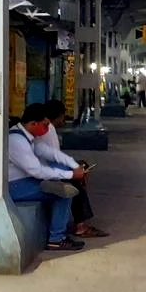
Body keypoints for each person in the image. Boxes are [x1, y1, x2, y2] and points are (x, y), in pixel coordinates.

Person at [8, 103, 86, 251]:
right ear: (33, 123)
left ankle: (60, 231)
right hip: (15, 187)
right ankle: (57, 238)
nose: (47, 128)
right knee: (63, 192)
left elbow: (51, 153)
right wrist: (70, 174)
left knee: (61, 177)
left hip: (26, 181)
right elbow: (37, 171)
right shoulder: (16, 141)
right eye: (45, 125)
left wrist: (74, 165)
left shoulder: (27, 136)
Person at [38, 100, 108, 239]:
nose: (64, 120)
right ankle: (80, 226)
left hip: (44, 168)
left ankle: (80, 223)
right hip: (44, 171)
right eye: (63, 116)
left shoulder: (46, 129)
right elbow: (54, 159)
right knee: (76, 181)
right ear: (57, 116)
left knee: (77, 173)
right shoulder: (49, 130)